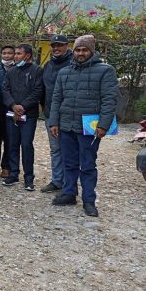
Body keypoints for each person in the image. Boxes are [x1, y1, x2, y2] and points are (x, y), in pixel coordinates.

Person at [49, 35, 118, 217]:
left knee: (87, 165)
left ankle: (89, 200)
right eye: (78, 50)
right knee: (69, 163)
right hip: (66, 126)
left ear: (92, 51)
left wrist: (104, 125)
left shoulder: (105, 71)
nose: (80, 53)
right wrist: (53, 122)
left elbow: (109, 100)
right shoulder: (64, 72)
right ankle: (69, 193)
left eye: (84, 50)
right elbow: (56, 98)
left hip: (89, 128)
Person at [2, 44, 43, 191]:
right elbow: (5, 89)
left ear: (28, 56)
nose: (15, 56)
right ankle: (13, 174)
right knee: (12, 144)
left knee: (26, 145)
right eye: (16, 54)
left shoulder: (37, 70)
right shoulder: (11, 71)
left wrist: (23, 106)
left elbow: (38, 91)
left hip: (29, 115)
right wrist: (13, 105)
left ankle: (29, 178)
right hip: (11, 114)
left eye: (19, 54)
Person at [40, 35, 73, 193]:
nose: (56, 48)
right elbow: (44, 88)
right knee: (55, 149)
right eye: (54, 45)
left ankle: (69, 182)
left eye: (60, 45)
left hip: (69, 114)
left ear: (67, 45)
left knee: (69, 149)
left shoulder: (74, 64)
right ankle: (57, 180)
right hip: (51, 114)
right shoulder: (48, 65)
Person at [0, 45, 15, 178]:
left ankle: (6, 166)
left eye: (9, 53)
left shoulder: (17, 70)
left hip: (11, 110)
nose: (6, 56)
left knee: (10, 140)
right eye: (4, 53)